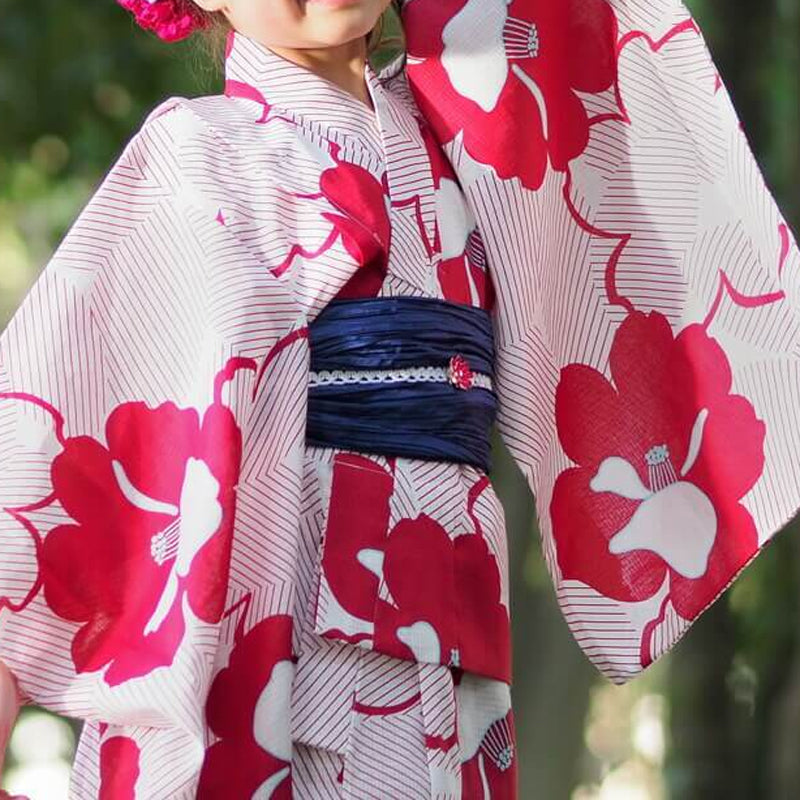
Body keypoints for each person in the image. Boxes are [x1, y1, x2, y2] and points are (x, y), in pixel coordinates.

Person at [0, 0, 797, 798]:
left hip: (454, 625)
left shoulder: (469, 147)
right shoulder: (195, 154)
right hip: (296, 653)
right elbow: (38, 445)